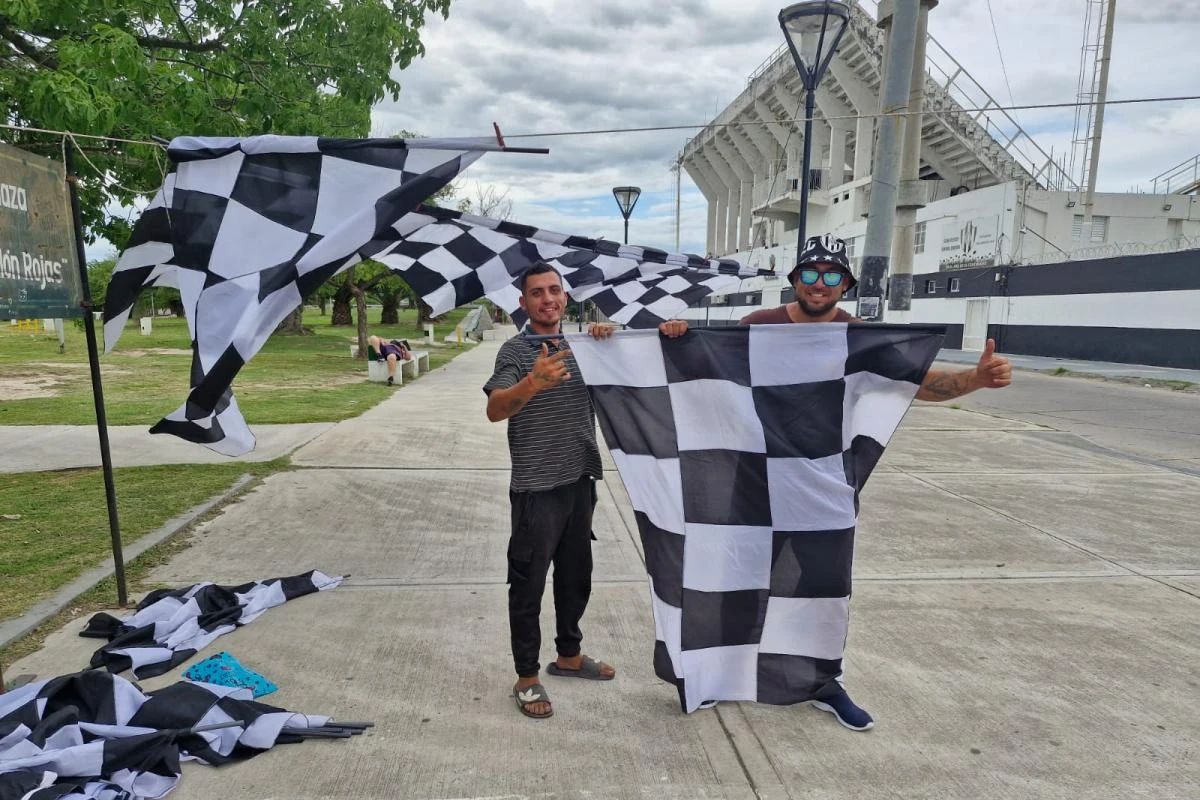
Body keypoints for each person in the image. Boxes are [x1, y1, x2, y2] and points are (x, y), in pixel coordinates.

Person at [669, 233, 1013, 731]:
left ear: (845, 284)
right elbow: (699, 369)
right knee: (736, 583)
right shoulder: (756, 328)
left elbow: (920, 386)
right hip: (754, 485)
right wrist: (676, 335)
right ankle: (720, 675)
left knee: (824, 590)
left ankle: (824, 681)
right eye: (810, 274)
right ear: (795, 281)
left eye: (832, 276)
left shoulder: (859, 338)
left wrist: (975, 380)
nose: (820, 284)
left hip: (823, 488)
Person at [483, 261, 687, 719]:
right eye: (536, 293)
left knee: (576, 579)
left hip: (580, 483)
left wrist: (671, 330)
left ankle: (569, 656)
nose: (547, 299)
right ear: (523, 303)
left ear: (566, 297)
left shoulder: (585, 346)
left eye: (554, 290)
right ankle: (527, 676)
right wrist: (533, 382)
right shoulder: (516, 351)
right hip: (536, 489)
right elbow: (497, 409)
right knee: (528, 585)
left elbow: (644, 367)